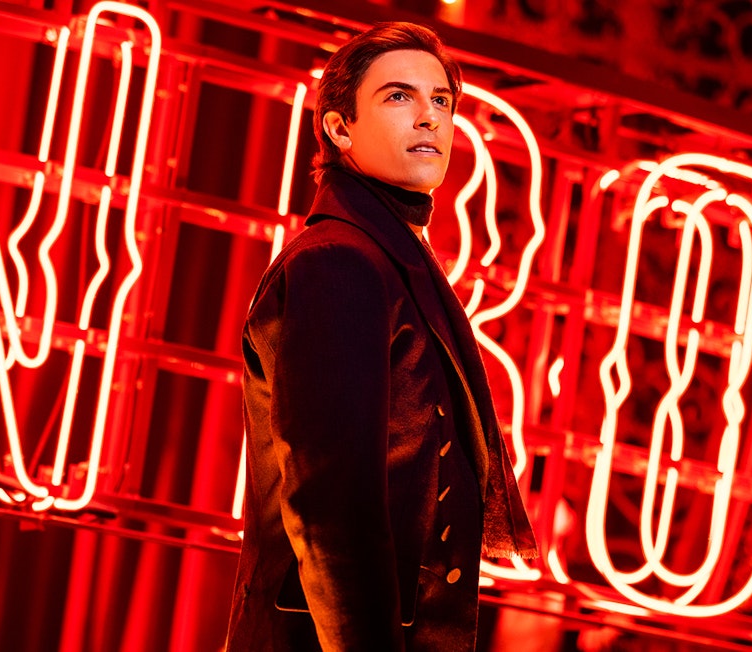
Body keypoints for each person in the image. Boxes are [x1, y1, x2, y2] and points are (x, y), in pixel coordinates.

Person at [224, 21, 537, 651]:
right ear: (339, 129)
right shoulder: (339, 263)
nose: (428, 117)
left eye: (441, 100)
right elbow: (331, 504)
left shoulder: (386, 259)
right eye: (398, 97)